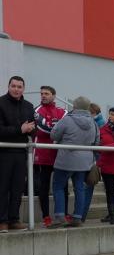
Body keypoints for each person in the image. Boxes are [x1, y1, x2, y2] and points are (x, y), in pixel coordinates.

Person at [48, 96, 99, 228]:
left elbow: (54, 135)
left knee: (58, 186)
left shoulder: (67, 119)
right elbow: (97, 141)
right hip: (84, 162)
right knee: (79, 188)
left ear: (74, 106)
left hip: (66, 160)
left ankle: (60, 217)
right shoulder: (93, 122)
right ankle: (77, 217)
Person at [0, 76, 36, 232]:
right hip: (4, 152)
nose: (16, 89)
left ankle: (14, 219)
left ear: (23, 89)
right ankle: (2, 221)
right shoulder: (1, 103)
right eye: (13, 86)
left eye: (19, 87)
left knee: (18, 188)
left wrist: (31, 130)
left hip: (21, 152)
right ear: (8, 86)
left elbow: (33, 128)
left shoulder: (29, 106)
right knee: (2, 188)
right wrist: (19, 129)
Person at [33, 85, 68, 227]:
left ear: (54, 96)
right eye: (42, 93)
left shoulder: (63, 111)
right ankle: (46, 216)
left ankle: (64, 214)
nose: (43, 96)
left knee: (63, 186)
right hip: (43, 154)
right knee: (44, 186)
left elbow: (67, 129)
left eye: (46, 93)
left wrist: (57, 129)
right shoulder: (36, 111)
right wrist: (58, 129)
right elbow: (43, 129)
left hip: (60, 154)